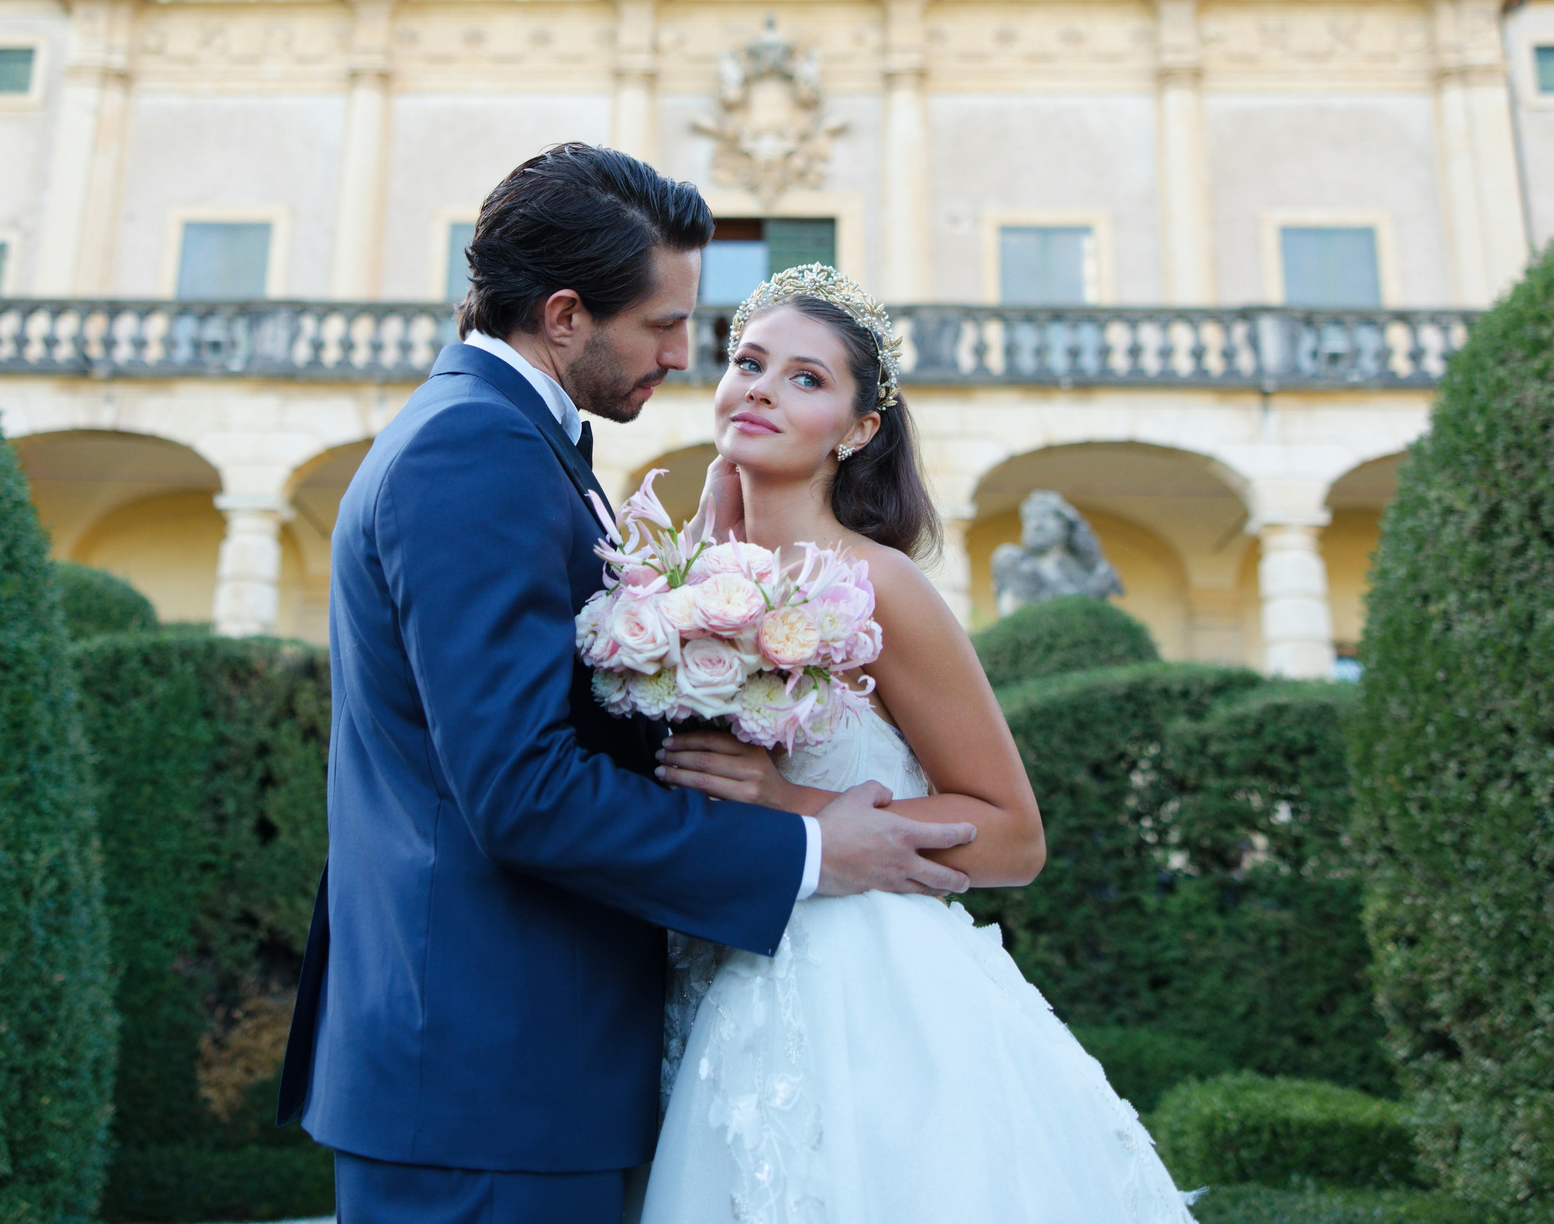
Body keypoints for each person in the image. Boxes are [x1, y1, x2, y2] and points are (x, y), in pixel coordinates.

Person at [275, 146, 978, 1224]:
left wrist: (700, 597)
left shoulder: (526, 445)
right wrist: (808, 845)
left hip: (529, 1059)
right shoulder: (474, 449)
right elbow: (520, 789)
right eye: (662, 326)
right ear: (564, 316)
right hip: (489, 1067)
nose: (684, 356)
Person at [641, 264, 1197, 1223]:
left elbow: (1014, 839)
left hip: (869, 1000)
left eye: (807, 378)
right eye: (749, 361)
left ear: (858, 431)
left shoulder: (881, 586)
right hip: (707, 981)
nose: (763, 387)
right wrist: (691, 565)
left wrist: (792, 805)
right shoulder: (670, 580)